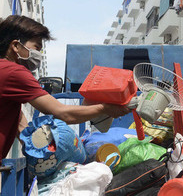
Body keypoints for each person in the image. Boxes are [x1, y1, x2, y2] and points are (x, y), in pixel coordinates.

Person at [0, 15, 130, 161]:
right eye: (36, 47)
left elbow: (22, 128)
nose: (39, 55)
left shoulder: (5, 73)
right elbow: (63, 113)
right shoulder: (14, 72)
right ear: (16, 46)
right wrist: (105, 108)